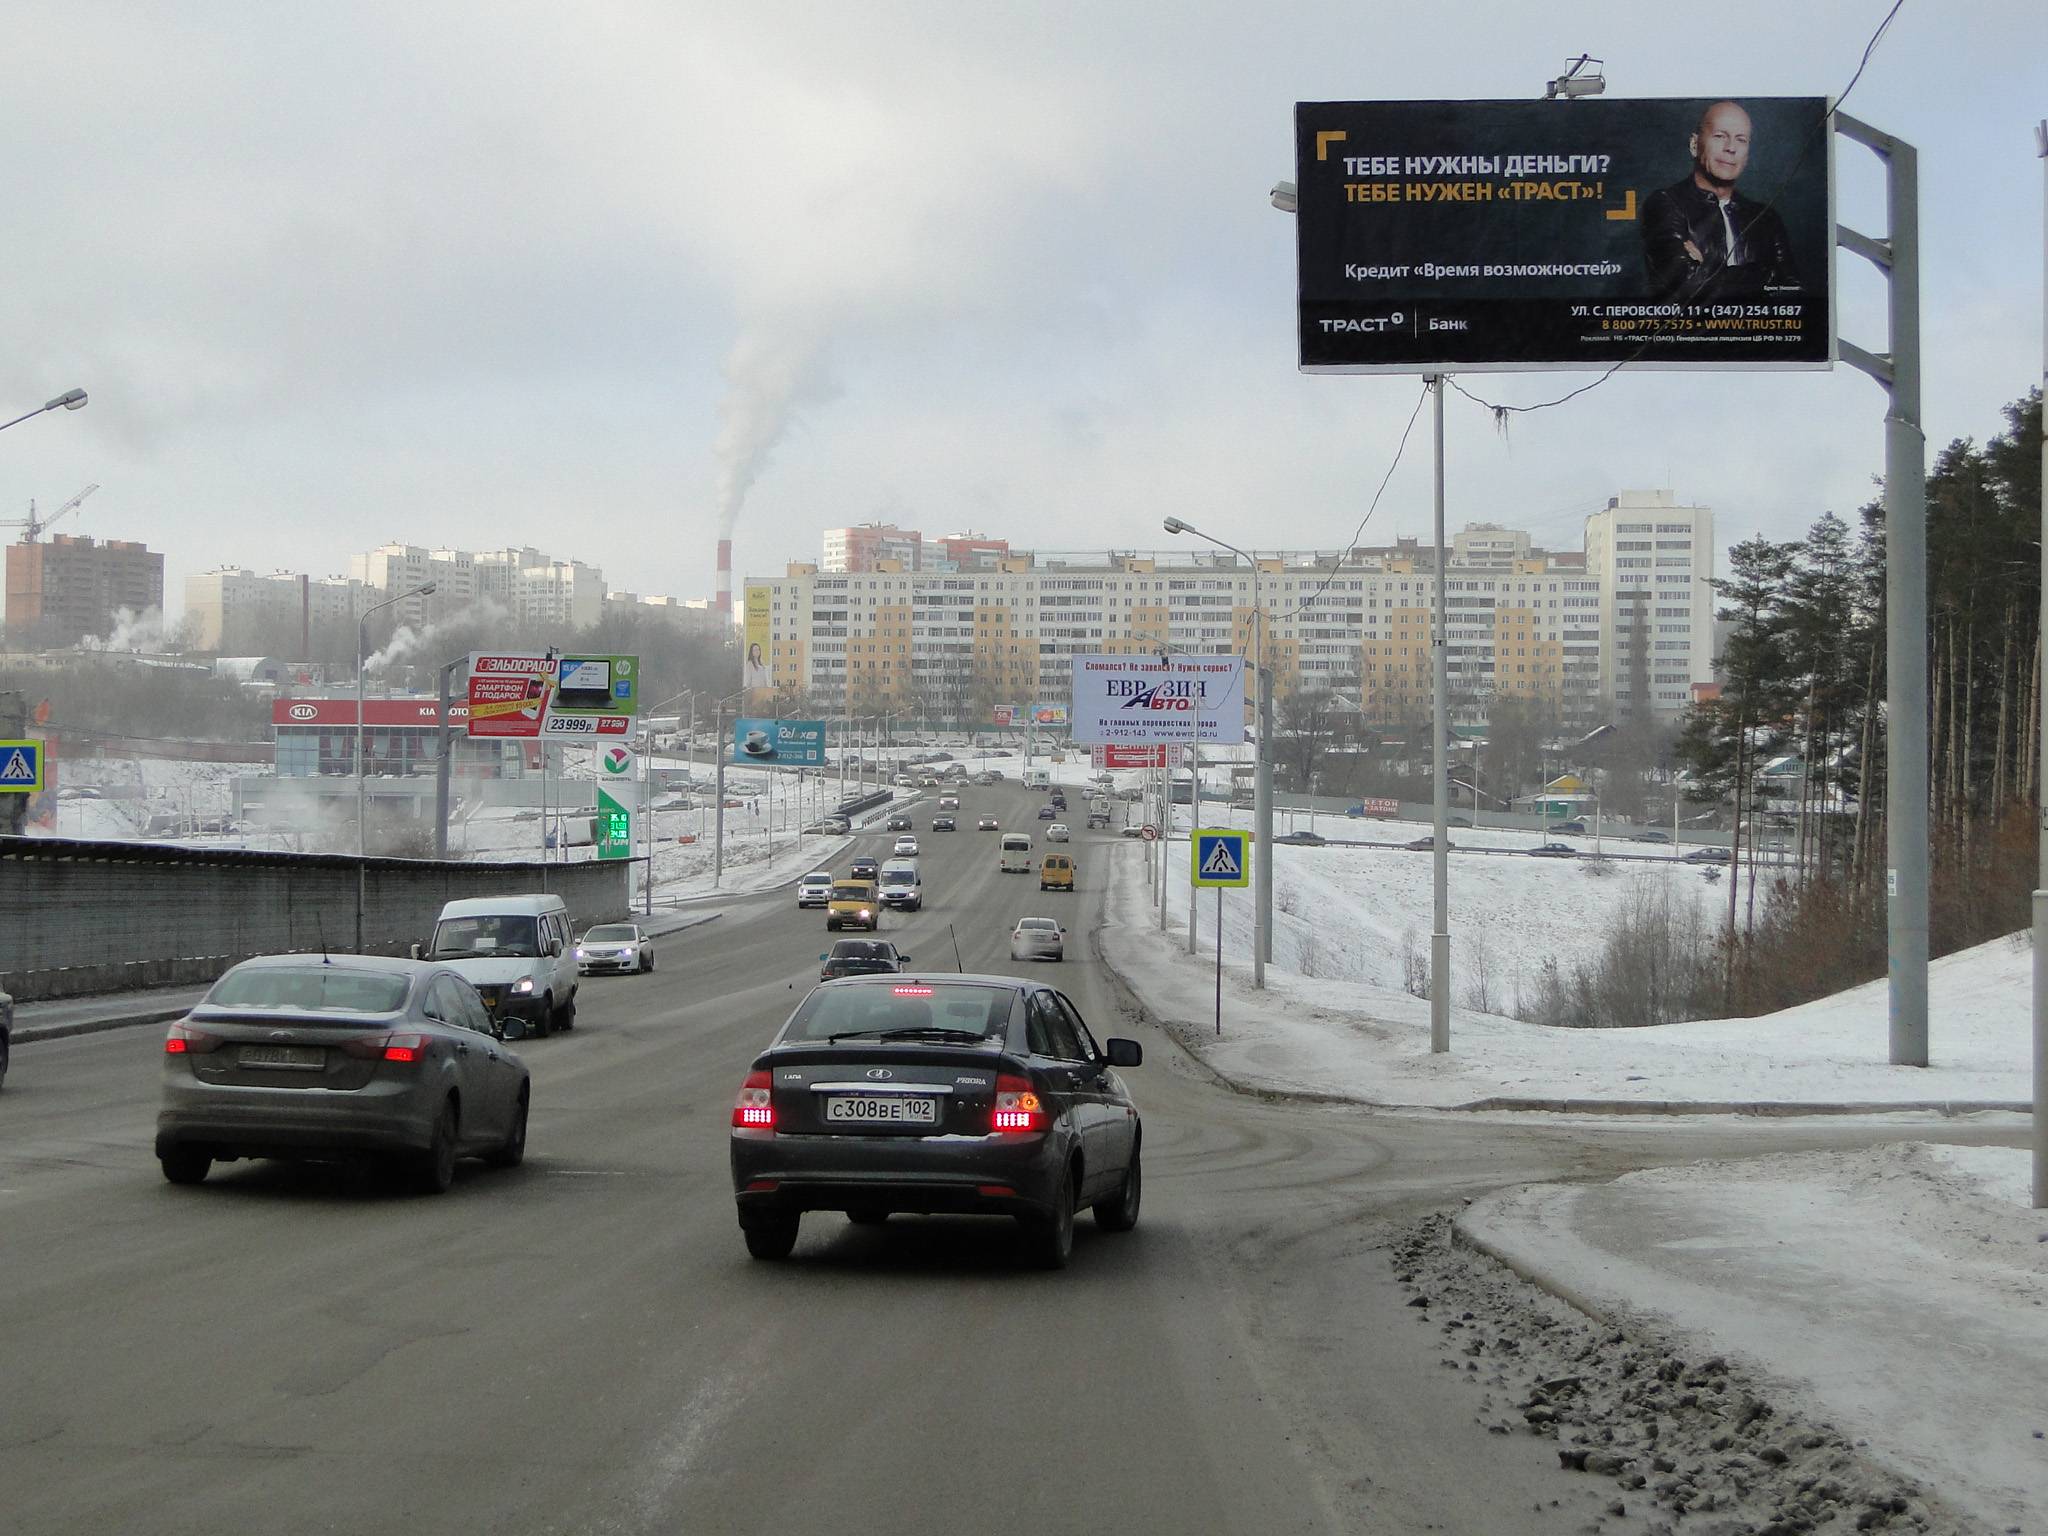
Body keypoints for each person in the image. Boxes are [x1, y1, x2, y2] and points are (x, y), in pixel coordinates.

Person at [1641, 100, 1801, 302]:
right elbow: (1684, 284)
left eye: (1741, 139)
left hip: (1757, 333)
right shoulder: (1666, 204)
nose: (1731, 148)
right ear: (1694, 144)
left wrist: (1705, 266)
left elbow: (1792, 292)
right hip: (1691, 334)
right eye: (1720, 136)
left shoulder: (1765, 218)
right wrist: (1766, 274)